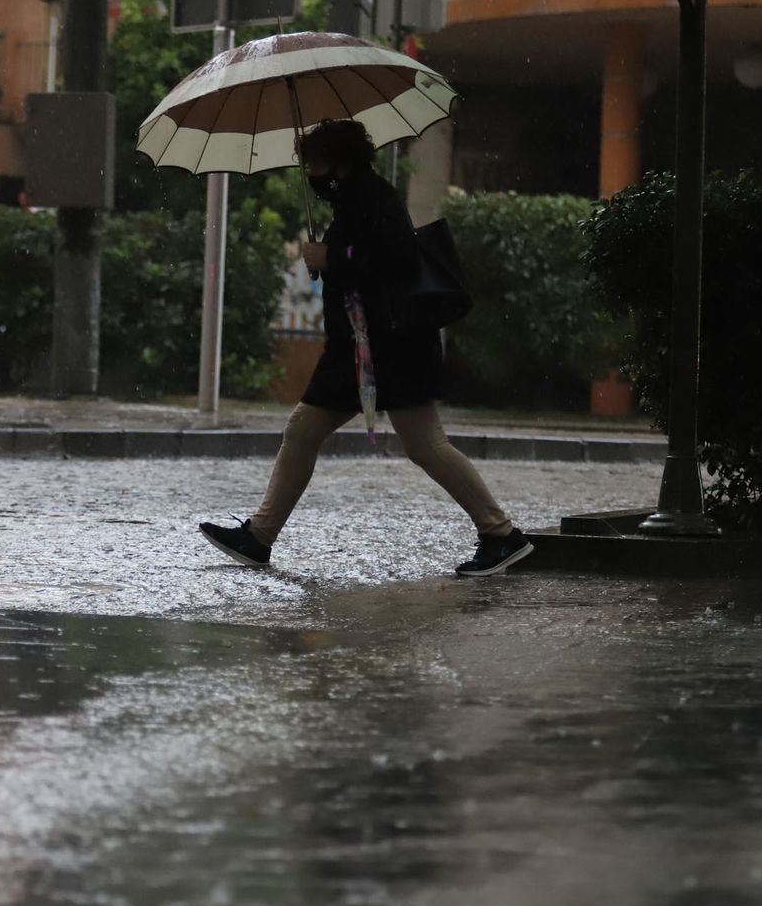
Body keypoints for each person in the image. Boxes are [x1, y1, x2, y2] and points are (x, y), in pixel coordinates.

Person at [199, 119, 533, 578]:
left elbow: (395, 256)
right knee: (304, 430)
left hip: (391, 347)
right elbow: (365, 257)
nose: (308, 172)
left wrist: (334, 258)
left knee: (426, 446)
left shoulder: (372, 197)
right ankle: (259, 536)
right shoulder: (350, 200)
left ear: (341, 162)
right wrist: (333, 260)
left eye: (313, 162)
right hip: (360, 349)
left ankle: (501, 534)